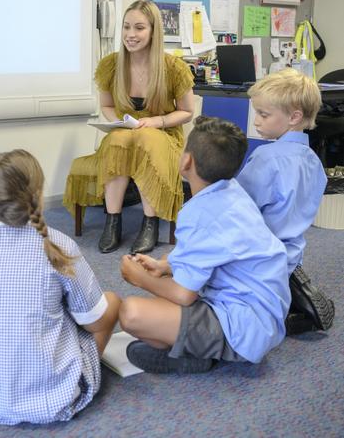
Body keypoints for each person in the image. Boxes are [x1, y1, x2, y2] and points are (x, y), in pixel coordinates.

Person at [0, 149, 121, 424]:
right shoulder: (58, 244)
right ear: (36, 195)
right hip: (54, 399)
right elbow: (94, 322)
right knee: (111, 302)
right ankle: (75, 377)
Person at [119, 117, 290, 373]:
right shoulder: (231, 190)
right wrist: (164, 266)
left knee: (130, 313)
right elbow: (211, 250)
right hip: (262, 316)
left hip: (245, 328)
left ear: (186, 161)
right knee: (162, 290)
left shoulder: (199, 214)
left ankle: (201, 353)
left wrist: (139, 279)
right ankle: (194, 349)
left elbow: (184, 296)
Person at [63, 0, 195, 254]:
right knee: (117, 141)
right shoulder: (111, 65)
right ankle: (113, 221)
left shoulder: (173, 68)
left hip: (164, 134)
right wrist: (118, 123)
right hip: (125, 133)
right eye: (126, 27)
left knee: (148, 138)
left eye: (139, 28)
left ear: (154, 31)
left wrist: (157, 121)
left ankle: (150, 223)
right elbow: (107, 105)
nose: (130, 35)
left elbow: (188, 112)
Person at [236, 68, 334, 335]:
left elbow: (240, 206)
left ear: (294, 117)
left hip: (261, 255)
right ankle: (290, 299)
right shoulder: (313, 160)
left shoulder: (266, 158)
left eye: (264, 115)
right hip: (292, 254)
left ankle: (274, 314)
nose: (257, 121)